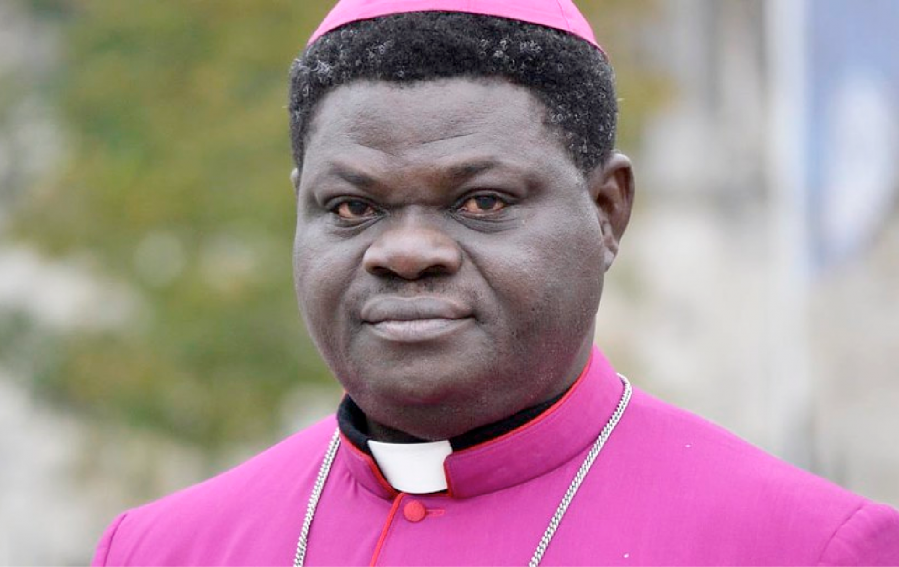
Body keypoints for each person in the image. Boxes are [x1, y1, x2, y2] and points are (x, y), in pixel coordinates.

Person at [91, 1, 899, 565]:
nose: (406, 251)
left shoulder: (809, 548)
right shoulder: (160, 550)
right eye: (352, 207)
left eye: (482, 201)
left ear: (607, 211)